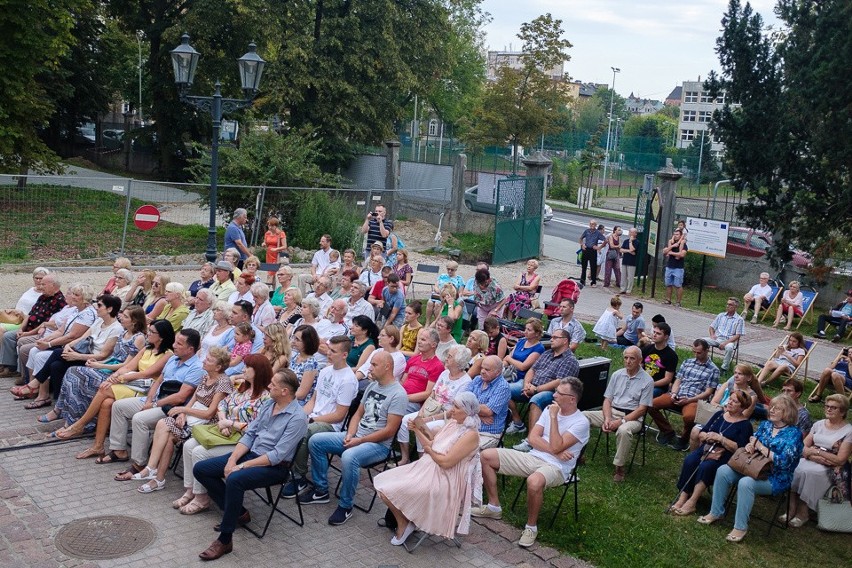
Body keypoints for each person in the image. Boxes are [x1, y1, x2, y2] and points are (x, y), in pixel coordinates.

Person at [194, 369, 307, 561]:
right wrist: (232, 460)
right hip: (252, 454)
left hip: (275, 468)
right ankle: (238, 513)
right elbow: (250, 434)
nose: (269, 386)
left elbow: (277, 456)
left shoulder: (297, 418)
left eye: (273, 384)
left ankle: (225, 539)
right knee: (201, 469)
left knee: (235, 479)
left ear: (285, 391)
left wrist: (242, 467)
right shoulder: (270, 404)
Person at [474, 377, 590, 548]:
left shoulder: (581, 422)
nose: (555, 395)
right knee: (486, 456)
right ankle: (493, 507)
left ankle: (531, 527)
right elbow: (532, 438)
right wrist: (556, 452)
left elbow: (558, 444)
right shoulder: (550, 409)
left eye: (559, 392)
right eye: (556, 391)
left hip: (557, 468)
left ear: (572, 399)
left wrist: (553, 418)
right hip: (534, 456)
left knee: (534, 481)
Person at [300, 351, 407, 526]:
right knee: (316, 441)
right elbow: (357, 415)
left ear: (387, 367)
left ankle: (346, 505)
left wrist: (359, 441)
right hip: (356, 436)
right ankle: (321, 490)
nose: (369, 368)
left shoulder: (398, 394)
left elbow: (389, 431)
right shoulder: (372, 386)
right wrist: (350, 434)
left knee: (350, 457)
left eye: (374, 365)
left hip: (377, 445)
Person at [375, 391, 482, 545]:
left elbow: (446, 462)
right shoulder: (454, 423)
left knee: (390, 489)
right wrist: (417, 430)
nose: (452, 409)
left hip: (445, 477)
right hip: (427, 466)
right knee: (383, 484)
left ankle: (405, 524)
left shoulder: (471, 435)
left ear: (467, 411)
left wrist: (430, 452)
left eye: (456, 407)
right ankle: (405, 521)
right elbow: (432, 444)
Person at [54, 320, 174, 454]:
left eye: (152, 332)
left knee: (104, 389)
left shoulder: (168, 354)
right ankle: (98, 446)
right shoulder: (147, 349)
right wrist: (114, 377)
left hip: (147, 390)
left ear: (162, 336)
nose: (148, 334)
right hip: (133, 384)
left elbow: (148, 373)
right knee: (106, 403)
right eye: (149, 330)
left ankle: (80, 424)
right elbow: (128, 367)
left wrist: (120, 378)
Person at [174, 353, 272, 515]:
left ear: (258, 371)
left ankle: (201, 498)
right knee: (189, 444)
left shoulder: (265, 398)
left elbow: (257, 429)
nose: (244, 369)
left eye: (248, 367)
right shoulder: (242, 388)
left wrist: (231, 424)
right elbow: (222, 404)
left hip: (243, 442)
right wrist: (223, 421)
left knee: (199, 452)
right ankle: (190, 490)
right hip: (224, 432)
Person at [699, 395, 804, 543]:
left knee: (746, 483)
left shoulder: (794, 434)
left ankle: (740, 527)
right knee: (723, 470)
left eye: (777, 408)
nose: (771, 410)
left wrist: (761, 447)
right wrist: (751, 445)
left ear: (787, 413)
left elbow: (784, 462)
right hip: (752, 466)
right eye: (771, 407)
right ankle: (716, 512)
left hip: (775, 476)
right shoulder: (766, 425)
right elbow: (753, 439)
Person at [129, 347, 233, 491]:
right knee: (167, 432)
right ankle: (154, 473)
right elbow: (194, 398)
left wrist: (183, 410)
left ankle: (155, 474)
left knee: (166, 429)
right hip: (193, 416)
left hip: (207, 423)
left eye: (209, 360)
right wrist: (183, 414)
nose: (204, 360)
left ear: (218, 367)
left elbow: (210, 413)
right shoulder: (206, 376)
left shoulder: (223, 383)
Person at [107, 329, 204, 478]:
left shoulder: (196, 367)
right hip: (156, 400)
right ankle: (118, 450)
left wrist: (153, 405)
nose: (174, 345)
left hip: (171, 408)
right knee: (119, 406)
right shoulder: (173, 359)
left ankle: (139, 464)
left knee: (140, 419)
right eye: (175, 341)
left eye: (179, 343)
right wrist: (149, 399)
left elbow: (180, 396)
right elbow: (159, 381)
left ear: (190, 349)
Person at [42, 305, 147, 426]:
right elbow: (114, 358)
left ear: (134, 321)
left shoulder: (138, 338)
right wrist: (97, 363)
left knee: (75, 373)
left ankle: (70, 417)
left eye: (125, 316)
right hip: (109, 367)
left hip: (118, 374)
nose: (121, 317)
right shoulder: (123, 333)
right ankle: (63, 411)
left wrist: (99, 365)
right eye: (122, 314)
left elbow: (126, 365)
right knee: (71, 372)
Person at [284, 336, 358, 497]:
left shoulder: (348, 380)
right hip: (314, 416)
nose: (328, 353)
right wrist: (301, 415)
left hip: (330, 424)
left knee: (304, 431)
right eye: (329, 349)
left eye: (333, 351)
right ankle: (283, 464)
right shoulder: (325, 371)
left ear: (344, 355)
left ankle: (299, 476)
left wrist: (310, 420)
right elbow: (313, 400)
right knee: (290, 420)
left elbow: (339, 415)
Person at [670, 391, 754, 516]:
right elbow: (702, 431)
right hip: (707, 448)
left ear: (742, 407)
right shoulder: (719, 415)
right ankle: (683, 496)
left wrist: (722, 439)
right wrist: (706, 436)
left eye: (734, 401)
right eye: (730, 399)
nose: (729, 402)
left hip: (725, 455)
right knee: (691, 460)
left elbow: (740, 448)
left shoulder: (745, 425)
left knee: (706, 466)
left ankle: (692, 502)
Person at [582, 346, 653, 482]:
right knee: (583, 416)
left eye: (632, 358)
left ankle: (619, 467)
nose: (628, 361)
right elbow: (607, 400)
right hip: (613, 411)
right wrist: (607, 418)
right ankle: (578, 454)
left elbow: (642, 409)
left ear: (639, 360)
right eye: (626, 358)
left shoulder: (647, 381)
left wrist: (620, 421)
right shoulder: (617, 374)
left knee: (624, 430)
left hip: (633, 417)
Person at [397, 345, 472, 465]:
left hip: (447, 417)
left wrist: (425, 419)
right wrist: (421, 413)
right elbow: (432, 395)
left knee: (422, 426)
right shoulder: (445, 373)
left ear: (459, 361)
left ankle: (421, 462)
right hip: (431, 409)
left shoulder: (466, 382)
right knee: (406, 419)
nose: (446, 358)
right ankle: (405, 458)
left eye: (450, 356)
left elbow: (453, 411)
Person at [505, 330, 581, 449]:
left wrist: (536, 390)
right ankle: (518, 423)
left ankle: (532, 441)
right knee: (505, 389)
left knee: (537, 399)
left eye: (555, 337)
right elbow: (532, 370)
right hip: (531, 385)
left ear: (565, 341)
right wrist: (527, 385)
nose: (551, 339)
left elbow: (559, 382)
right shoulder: (547, 353)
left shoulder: (569, 360)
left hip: (553, 393)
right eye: (552, 337)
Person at [785, 394, 852, 527]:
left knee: (811, 473)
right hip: (813, 458)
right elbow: (803, 446)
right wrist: (812, 455)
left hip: (832, 466)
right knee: (796, 468)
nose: (829, 409)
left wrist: (817, 451)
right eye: (827, 406)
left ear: (843, 412)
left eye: (834, 407)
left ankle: (803, 512)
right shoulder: (818, 424)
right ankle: (790, 508)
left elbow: (840, 459)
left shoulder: (848, 431)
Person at [650, 339, 720, 451]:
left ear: (707, 351)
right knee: (650, 405)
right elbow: (678, 380)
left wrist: (689, 400)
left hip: (694, 399)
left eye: (699, 352)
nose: (696, 355)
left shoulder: (713, 370)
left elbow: (708, 392)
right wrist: (673, 393)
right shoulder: (687, 362)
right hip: (678, 395)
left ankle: (684, 439)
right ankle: (667, 431)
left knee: (690, 417)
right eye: (694, 352)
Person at [465, 355, 511, 449]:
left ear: (498, 372)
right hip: (468, 425)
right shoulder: (478, 379)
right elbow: (460, 400)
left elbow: (488, 411)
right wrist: (479, 416)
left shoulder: (503, 387)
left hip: (487, 433)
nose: (482, 371)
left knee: (463, 451)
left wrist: (469, 407)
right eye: (482, 368)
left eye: (487, 369)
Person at [400, 328, 445, 412]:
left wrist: (405, 398)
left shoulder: (437, 366)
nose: (419, 342)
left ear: (433, 345)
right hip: (401, 396)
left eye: (423, 340)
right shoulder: (413, 359)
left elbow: (428, 393)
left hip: (415, 403)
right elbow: (402, 381)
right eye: (419, 339)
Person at [703, 298, 745, 372]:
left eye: (730, 304)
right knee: (701, 341)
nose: (727, 306)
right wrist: (712, 335)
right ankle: (704, 361)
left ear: (736, 307)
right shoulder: (721, 315)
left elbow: (737, 335)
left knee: (729, 348)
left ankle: (724, 368)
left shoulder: (739, 319)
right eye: (727, 304)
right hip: (717, 339)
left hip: (729, 341)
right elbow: (711, 327)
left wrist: (725, 343)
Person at [641, 322, 678, 397]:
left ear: (666, 337)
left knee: (645, 395)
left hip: (658, 387)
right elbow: (639, 366)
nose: (654, 335)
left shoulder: (671, 355)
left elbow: (667, 379)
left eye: (658, 333)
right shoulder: (646, 349)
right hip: (642, 382)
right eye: (654, 332)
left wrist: (650, 384)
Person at [503, 318, 545, 383]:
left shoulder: (539, 348)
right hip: (509, 371)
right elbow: (507, 359)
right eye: (525, 328)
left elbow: (523, 367)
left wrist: (509, 359)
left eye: (529, 330)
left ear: (537, 333)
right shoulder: (521, 341)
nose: (525, 331)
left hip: (521, 378)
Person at [290, 325, 321, 404]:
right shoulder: (296, 357)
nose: (293, 341)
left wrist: (282, 397)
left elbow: (301, 394)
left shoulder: (311, 364)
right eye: (294, 337)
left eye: (297, 339)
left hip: (297, 403)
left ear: (307, 342)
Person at [662, 228, 688, 306]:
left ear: (680, 236)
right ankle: (668, 300)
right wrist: (672, 246)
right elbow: (664, 251)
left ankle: (678, 302)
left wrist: (671, 253)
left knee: (678, 285)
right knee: (668, 284)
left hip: (678, 268)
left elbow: (682, 254)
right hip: (669, 266)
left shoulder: (683, 244)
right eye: (674, 234)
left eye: (677, 234)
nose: (675, 236)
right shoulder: (671, 242)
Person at [579, 219, 603, 287]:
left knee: (593, 267)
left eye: (594, 224)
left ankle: (593, 282)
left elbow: (605, 240)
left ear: (596, 225)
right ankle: (582, 281)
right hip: (586, 250)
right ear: (589, 224)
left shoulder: (598, 233)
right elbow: (581, 238)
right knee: (584, 266)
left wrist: (599, 247)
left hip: (593, 250)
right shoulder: (586, 231)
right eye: (591, 224)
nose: (592, 225)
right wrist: (582, 244)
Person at [263, 216, 287, 284]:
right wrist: (264, 244)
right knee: (270, 273)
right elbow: (265, 242)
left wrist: (276, 249)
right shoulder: (267, 233)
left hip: (276, 255)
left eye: (271, 226)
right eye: (268, 225)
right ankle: (273, 290)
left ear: (275, 226)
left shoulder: (281, 233)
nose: (269, 227)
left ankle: (267, 288)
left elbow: (285, 246)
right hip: (269, 254)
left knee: (271, 274)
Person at [619, 228, 639, 294]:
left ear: (635, 234)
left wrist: (630, 242)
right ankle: (623, 288)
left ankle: (629, 289)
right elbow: (621, 250)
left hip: (632, 262)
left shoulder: (636, 242)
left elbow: (633, 249)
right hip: (625, 260)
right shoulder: (625, 241)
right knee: (623, 276)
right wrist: (628, 251)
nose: (629, 233)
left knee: (630, 276)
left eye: (631, 232)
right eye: (629, 232)